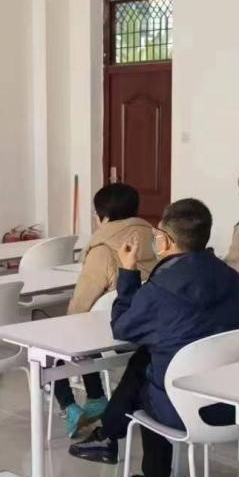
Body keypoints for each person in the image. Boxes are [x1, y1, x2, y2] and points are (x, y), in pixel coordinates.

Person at [69, 199, 239, 477]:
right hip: (231, 402)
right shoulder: (233, 279)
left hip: (182, 409)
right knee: (145, 358)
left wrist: (127, 272)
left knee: (147, 376)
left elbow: (122, 329)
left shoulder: (161, 288)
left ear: (165, 240)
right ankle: (108, 435)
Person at [53, 182, 157, 436]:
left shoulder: (102, 251)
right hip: (146, 334)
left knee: (50, 345)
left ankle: (70, 406)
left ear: (105, 218)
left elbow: (81, 303)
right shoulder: (156, 242)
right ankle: (95, 398)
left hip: (112, 336)